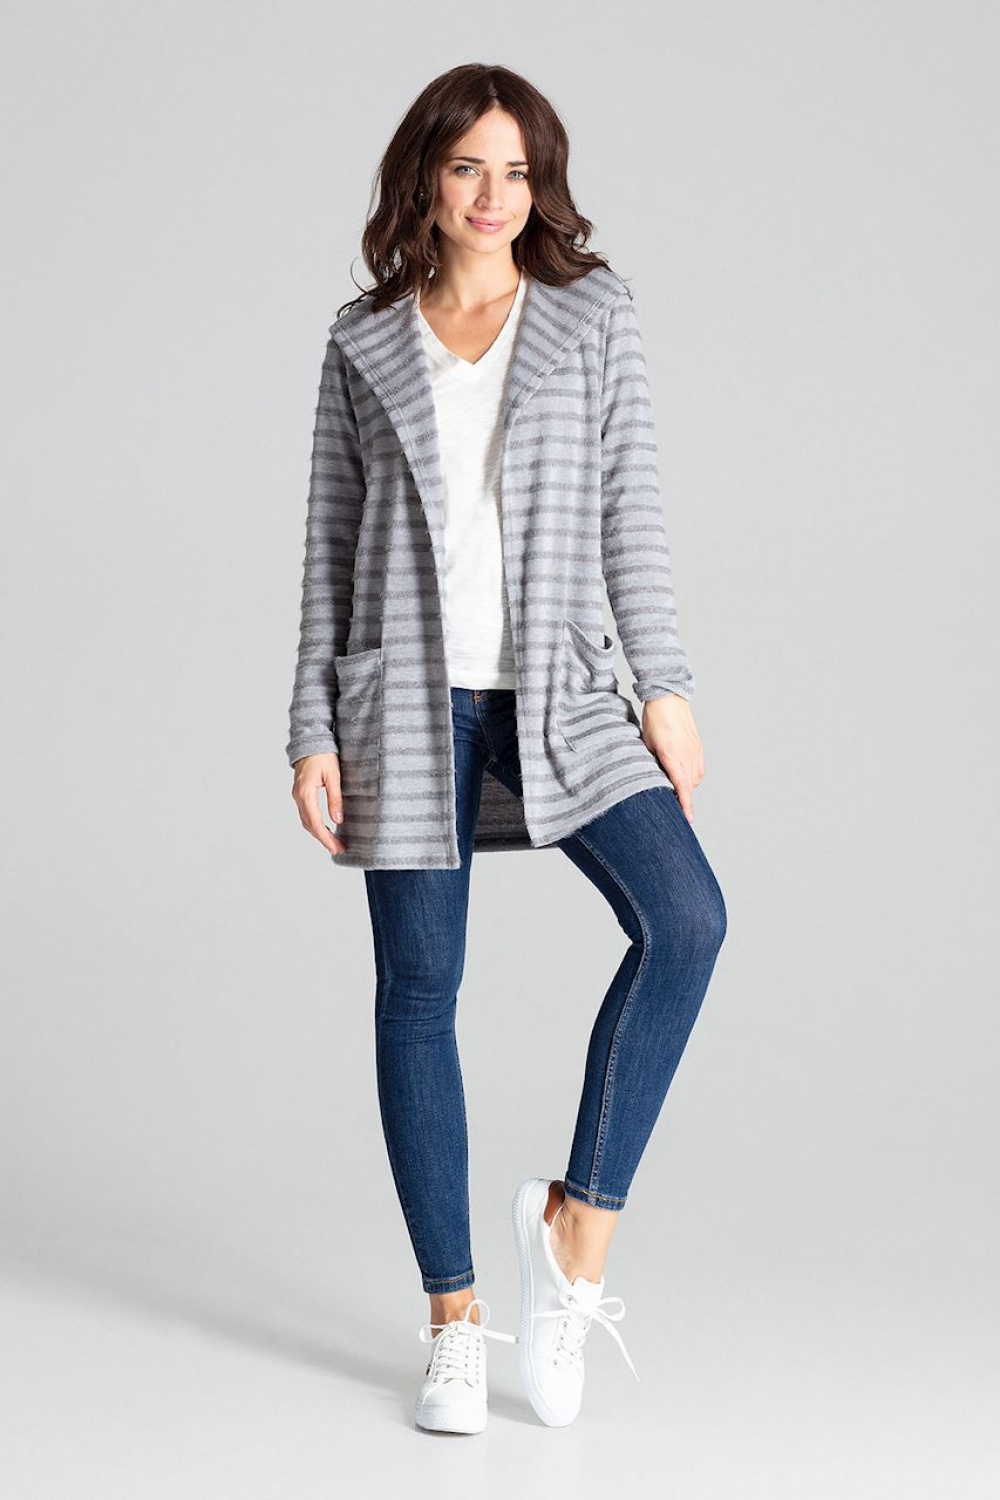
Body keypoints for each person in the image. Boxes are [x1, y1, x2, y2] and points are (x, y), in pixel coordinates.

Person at [287, 63, 727, 1433]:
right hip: (405, 703)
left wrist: (664, 687)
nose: (495, 195)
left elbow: (632, 510)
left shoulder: (593, 317)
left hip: (564, 694)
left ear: (543, 184)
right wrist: (310, 725)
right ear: (425, 176)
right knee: (419, 994)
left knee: (687, 920)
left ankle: (574, 1228)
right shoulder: (364, 341)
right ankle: (453, 1321)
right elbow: (329, 548)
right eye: (469, 167)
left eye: (519, 170)